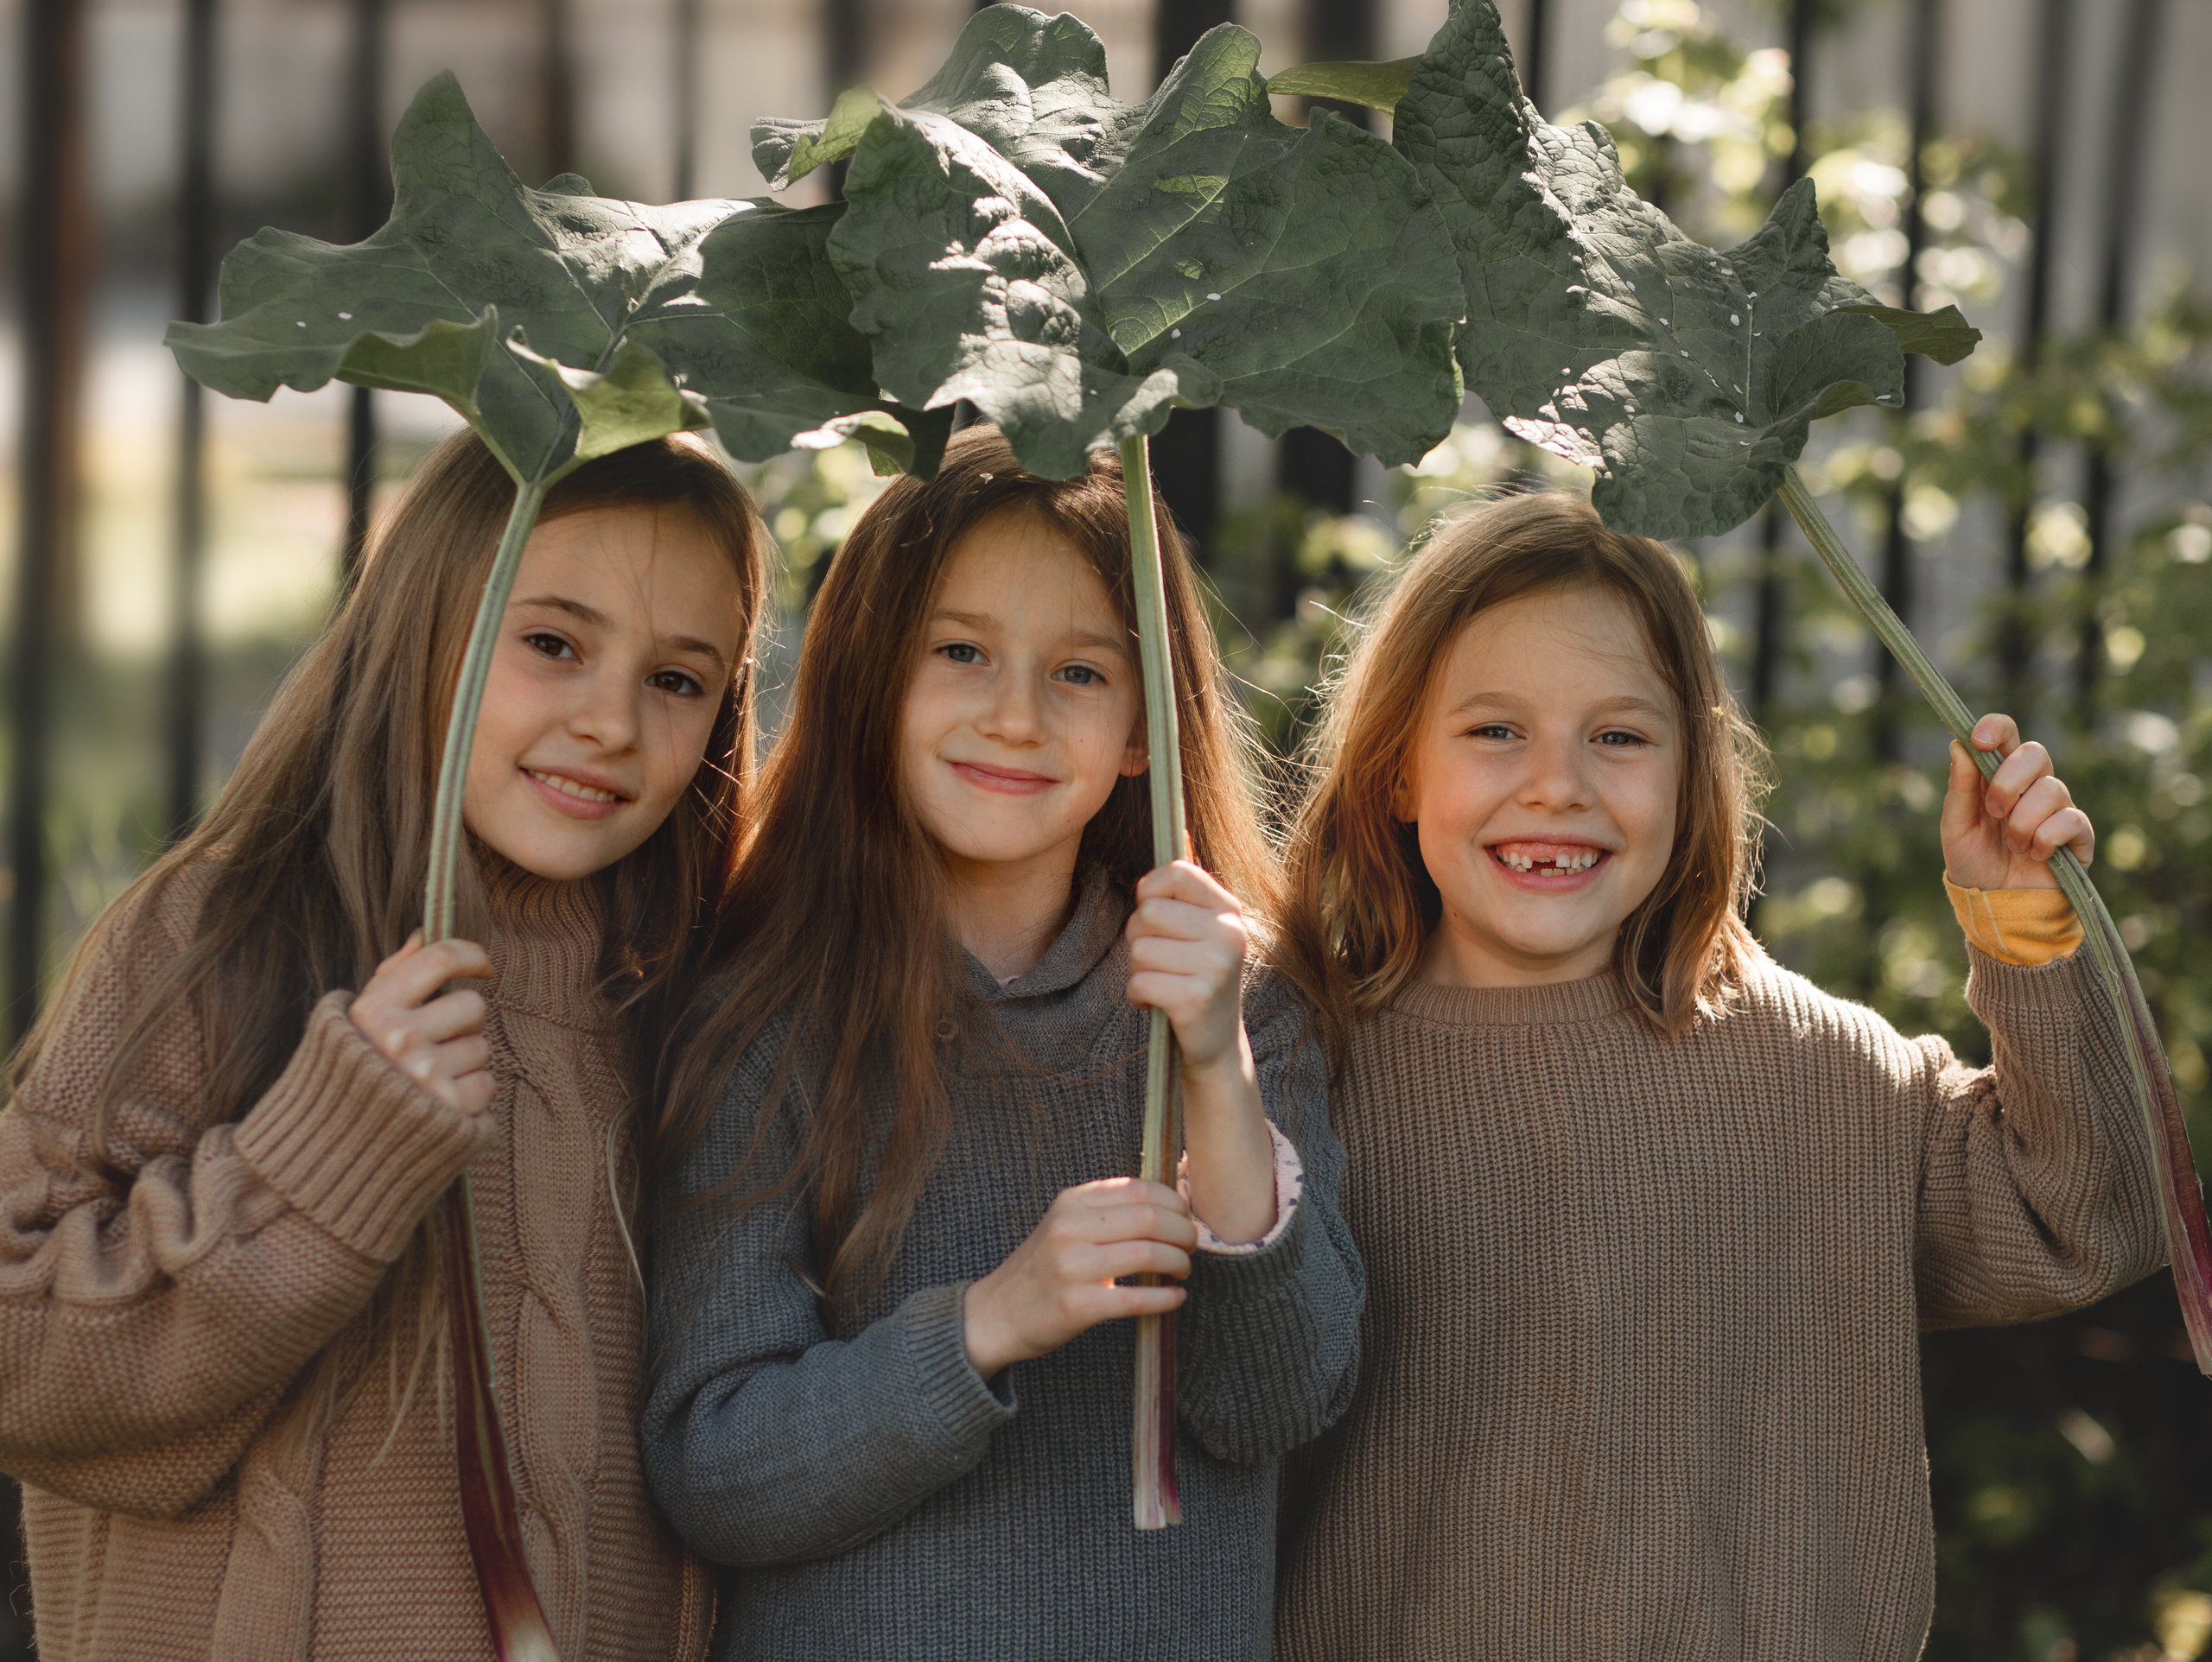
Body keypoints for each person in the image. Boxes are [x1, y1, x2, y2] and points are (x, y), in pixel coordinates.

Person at [1270, 490, 2159, 1661]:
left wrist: (2028, 929)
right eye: (1493, 731)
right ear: (1396, 768)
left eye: (1620, 736)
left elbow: (2085, 1214)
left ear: (1694, 775)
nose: (1558, 785)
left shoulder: (1819, 1077)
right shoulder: (1294, 1078)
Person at [0, 428, 766, 1661]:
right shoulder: (230, 934)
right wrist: (323, 1162)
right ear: (423, 620)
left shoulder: (688, 1004)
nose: (612, 722)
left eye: (678, 680)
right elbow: (23, 1366)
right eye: (553, 644)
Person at [642, 427, 1363, 1661]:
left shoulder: (1242, 1010)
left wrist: (1216, 1072)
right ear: (871, 681)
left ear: (1143, 727)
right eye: (961, 652)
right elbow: (717, 1468)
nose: (1015, 716)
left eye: (1079, 672)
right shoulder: (770, 1018)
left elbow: (1277, 1404)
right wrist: (991, 1319)